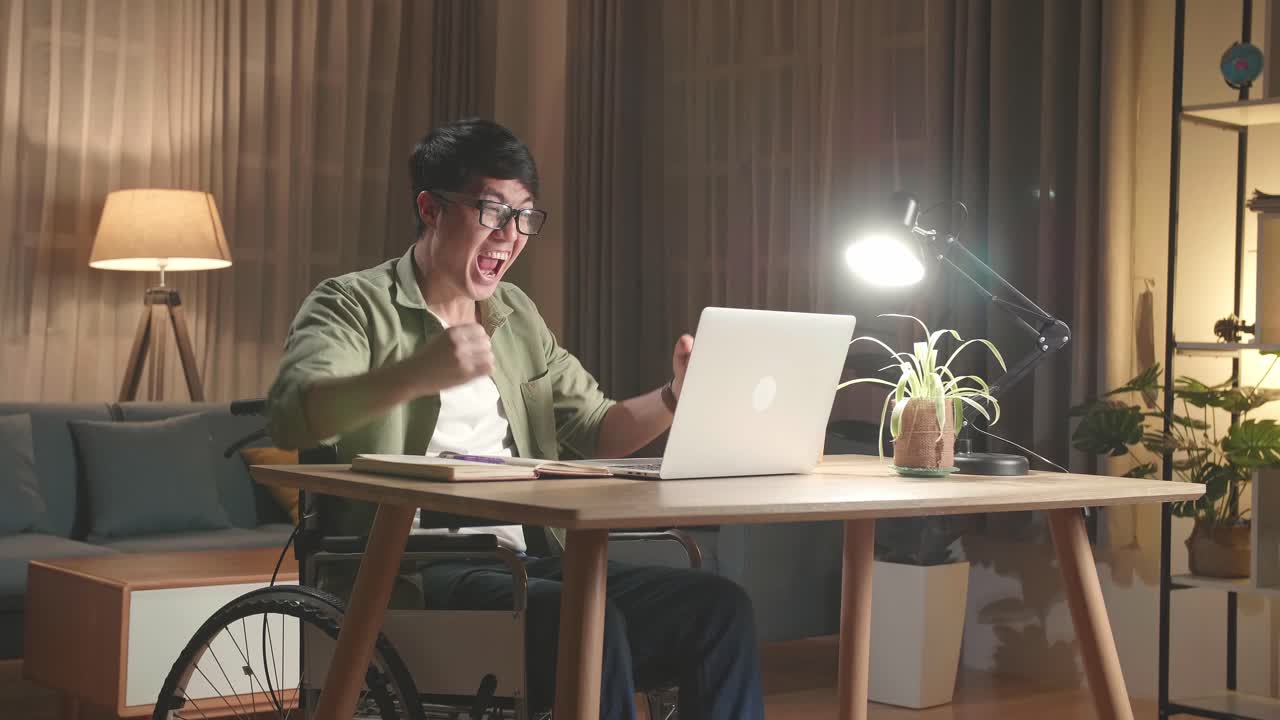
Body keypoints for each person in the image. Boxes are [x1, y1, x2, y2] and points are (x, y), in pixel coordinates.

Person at [266, 118, 764, 719]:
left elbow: (599, 427)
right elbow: (295, 414)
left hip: (524, 560)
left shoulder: (515, 315)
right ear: (430, 208)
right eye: (492, 211)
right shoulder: (351, 303)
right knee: (582, 620)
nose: (510, 235)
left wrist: (674, 397)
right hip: (413, 570)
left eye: (525, 216)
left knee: (717, 608)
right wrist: (416, 374)